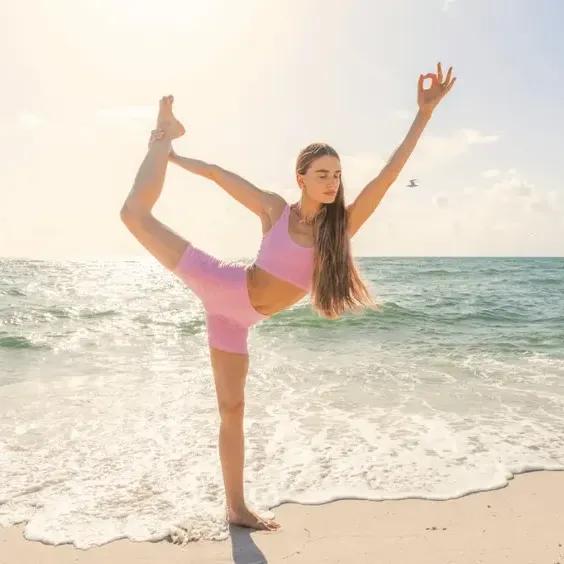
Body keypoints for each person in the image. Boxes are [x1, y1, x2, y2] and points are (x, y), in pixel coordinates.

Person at [120, 62, 456, 531]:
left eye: (337, 174)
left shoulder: (339, 229)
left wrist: (423, 115)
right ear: (301, 177)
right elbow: (218, 174)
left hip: (234, 323)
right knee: (133, 214)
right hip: (218, 281)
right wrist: (172, 156)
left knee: (232, 410)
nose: (333, 181)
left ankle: (236, 508)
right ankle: (163, 133)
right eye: (322, 173)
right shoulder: (275, 209)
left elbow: (390, 173)